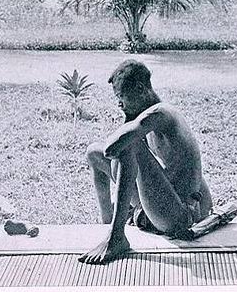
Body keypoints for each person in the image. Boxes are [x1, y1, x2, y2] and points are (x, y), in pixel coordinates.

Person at [81, 59, 213, 265]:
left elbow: (113, 148)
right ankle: (107, 225)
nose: (120, 104)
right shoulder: (146, 118)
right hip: (160, 205)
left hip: (179, 216)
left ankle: (116, 237)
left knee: (128, 145)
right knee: (93, 154)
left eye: (122, 97)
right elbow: (106, 154)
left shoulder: (161, 114)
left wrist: (128, 121)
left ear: (141, 89)